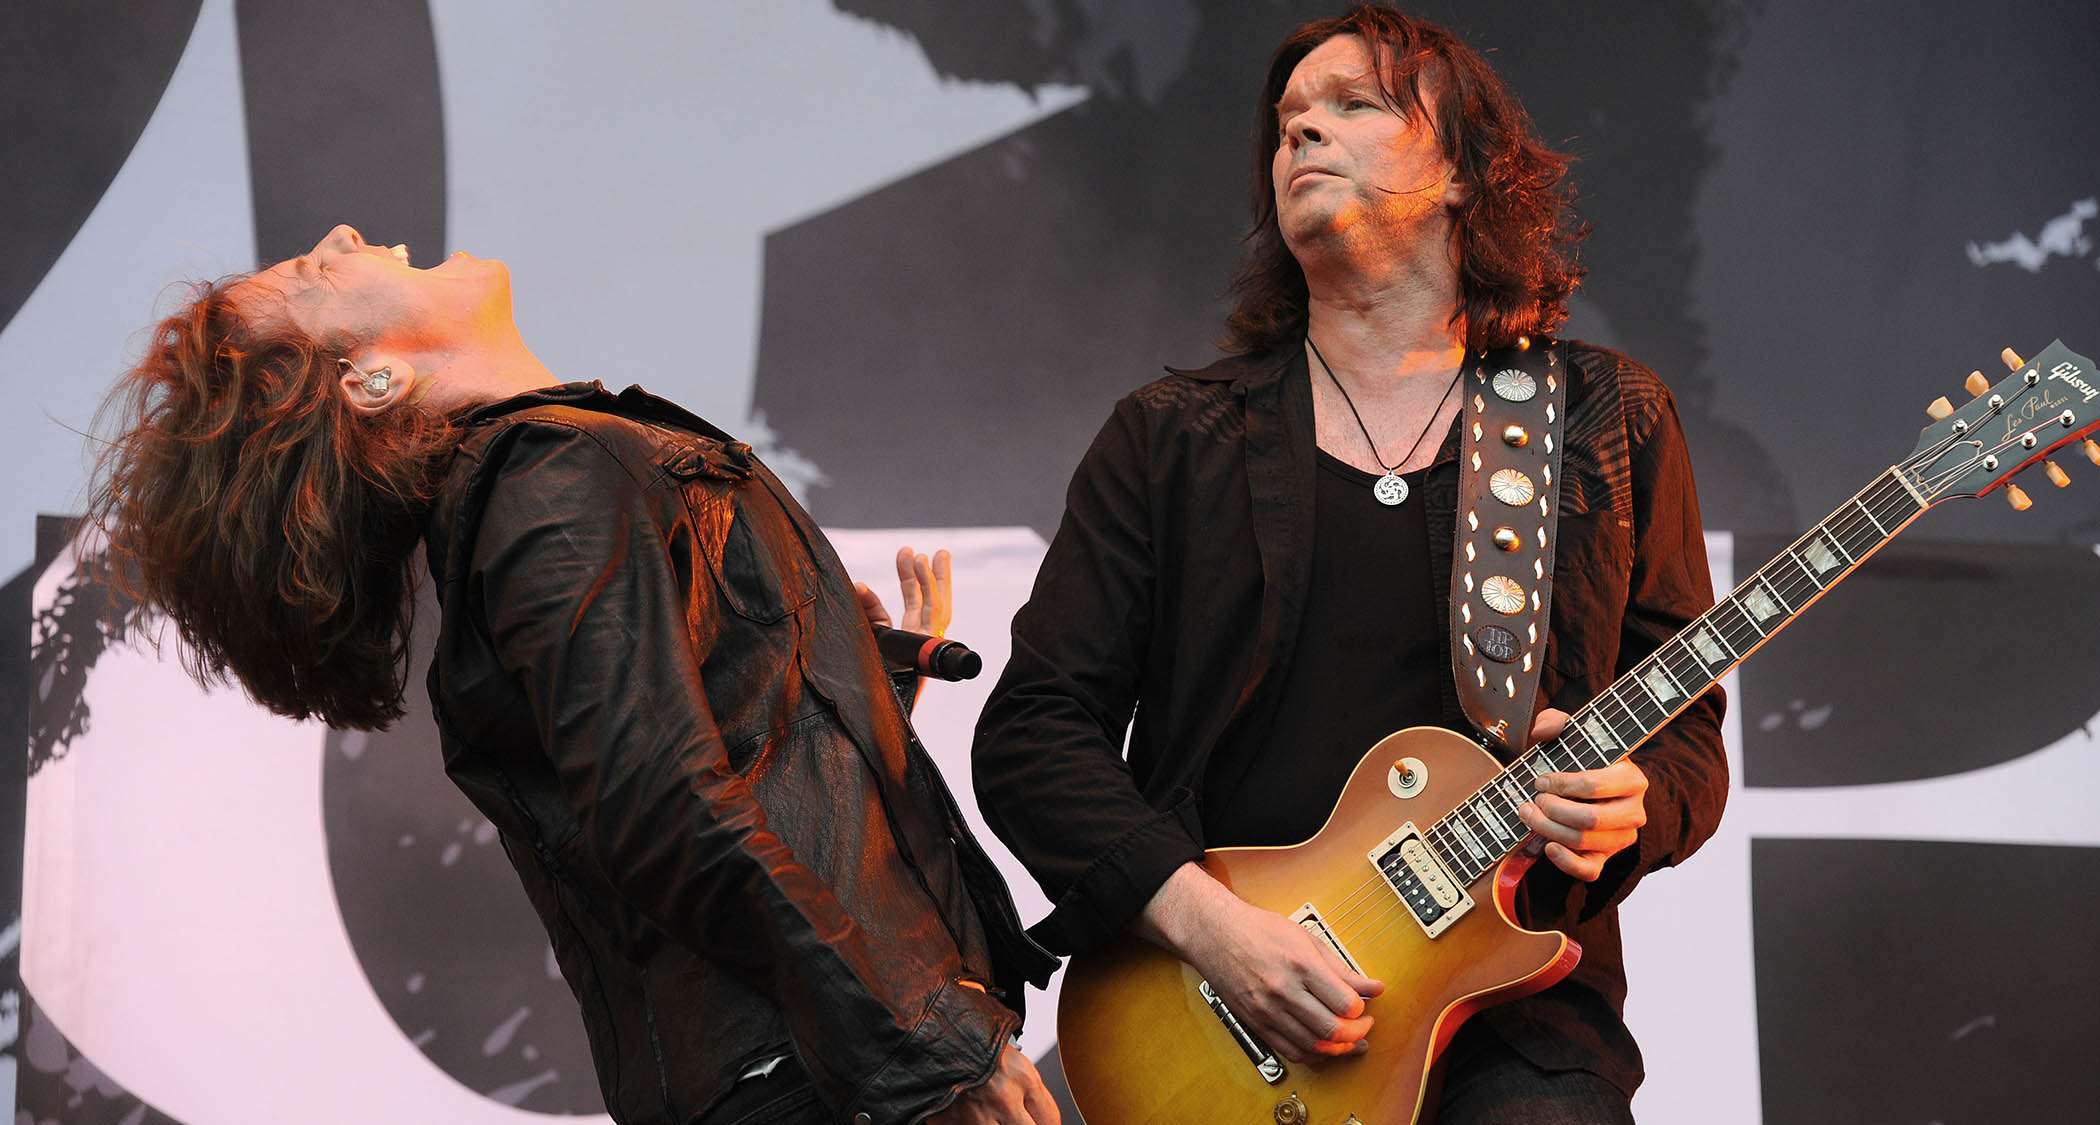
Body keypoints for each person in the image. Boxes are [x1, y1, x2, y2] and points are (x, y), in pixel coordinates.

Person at [86, 224, 1061, 1125]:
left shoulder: (539, 478)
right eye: (313, 274)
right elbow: (664, 810)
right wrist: (920, 1056)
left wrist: (836, 691)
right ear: (373, 381)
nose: (341, 238)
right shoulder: (543, 480)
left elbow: (698, 774)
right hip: (823, 1080)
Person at [972, 5, 1726, 1122]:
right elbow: (1036, 729)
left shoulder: (1606, 418)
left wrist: (1632, 806)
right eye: (1287, 122)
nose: (1301, 136)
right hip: (1203, 1007)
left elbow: (1687, 741)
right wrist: (1209, 926)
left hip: (1510, 1031)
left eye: (1353, 105)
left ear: (1466, 173)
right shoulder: (1175, 435)